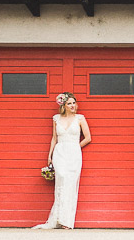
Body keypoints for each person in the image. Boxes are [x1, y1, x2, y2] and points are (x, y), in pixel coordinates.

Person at [33, 92, 91, 229]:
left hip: (74, 153)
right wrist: (50, 155)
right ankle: (58, 218)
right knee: (61, 182)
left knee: (70, 184)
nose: (72, 105)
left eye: (74, 103)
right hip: (59, 153)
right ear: (63, 105)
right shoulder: (56, 119)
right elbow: (54, 138)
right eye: (69, 103)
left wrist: (76, 147)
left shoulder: (80, 119)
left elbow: (88, 137)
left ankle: (66, 221)